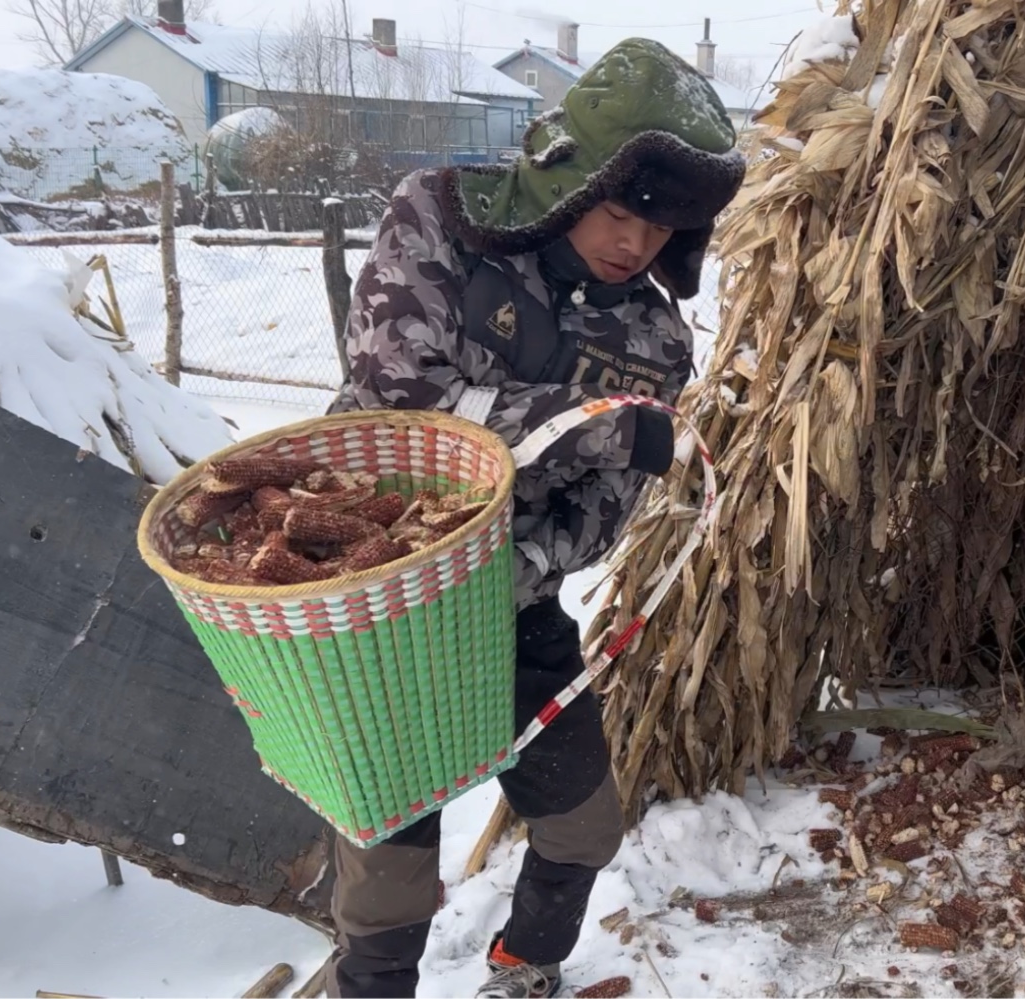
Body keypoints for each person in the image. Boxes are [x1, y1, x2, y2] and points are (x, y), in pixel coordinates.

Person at [323, 38, 745, 999]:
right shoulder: (439, 214)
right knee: (388, 872)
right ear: (571, 169)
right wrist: (597, 430)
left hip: (513, 604)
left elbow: (600, 522)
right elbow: (402, 400)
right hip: (376, 604)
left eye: (661, 223)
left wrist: (511, 567)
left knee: (584, 826)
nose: (634, 240)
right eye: (619, 206)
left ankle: (525, 965)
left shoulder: (652, 335)